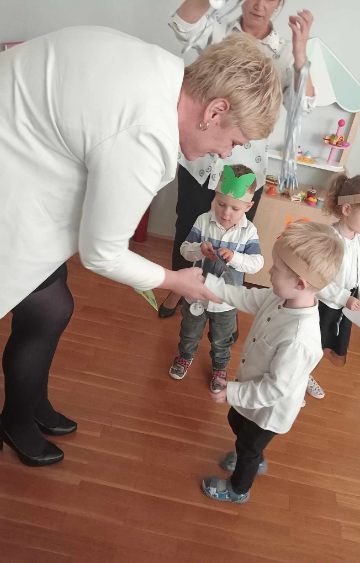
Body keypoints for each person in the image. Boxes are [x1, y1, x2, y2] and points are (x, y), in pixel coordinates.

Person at [0, 27, 282, 466]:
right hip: (14, 177)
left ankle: (28, 406)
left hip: (23, 155)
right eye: (234, 141)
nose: (227, 155)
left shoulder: (162, 69)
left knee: (51, 306)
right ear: (215, 111)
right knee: (46, 309)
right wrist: (174, 280)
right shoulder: (148, 134)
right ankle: (17, 420)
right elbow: (101, 253)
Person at [159, 0, 315, 318]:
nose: (259, 4)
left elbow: (304, 106)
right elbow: (183, 24)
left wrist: (300, 53)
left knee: (235, 233)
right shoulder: (218, 31)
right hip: (200, 160)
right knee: (188, 226)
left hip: (244, 170)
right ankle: (179, 288)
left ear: (280, 3)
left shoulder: (284, 51)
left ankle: (224, 300)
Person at [198, 221, 344, 503]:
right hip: (252, 393)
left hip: (269, 411)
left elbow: (275, 389)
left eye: (276, 269)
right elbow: (244, 296)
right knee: (236, 422)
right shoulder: (280, 298)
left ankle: (238, 489)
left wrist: (232, 392)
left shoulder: (299, 339)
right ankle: (252, 455)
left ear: (300, 283)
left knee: (248, 445)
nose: (269, 272)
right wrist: (209, 285)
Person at [168, 164, 264, 392]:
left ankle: (220, 368)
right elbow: (184, 249)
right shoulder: (203, 220)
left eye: (235, 208)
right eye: (221, 204)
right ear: (215, 197)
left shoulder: (248, 232)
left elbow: (257, 263)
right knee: (189, 332)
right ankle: (185, 356)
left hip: (226, 302)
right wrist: (199, 250)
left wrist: (235, 257)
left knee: (222, 339)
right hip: (196, 295)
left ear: (248, 206)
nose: (226, 213)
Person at [306, 173, 360, 399]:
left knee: (323, 345)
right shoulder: (329, 238)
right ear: (347, 209)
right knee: (310, 344)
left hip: (344, 306)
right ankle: (294, 380)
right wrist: (344, 298)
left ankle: (304, 375)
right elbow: (317, 280)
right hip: (324, 304)